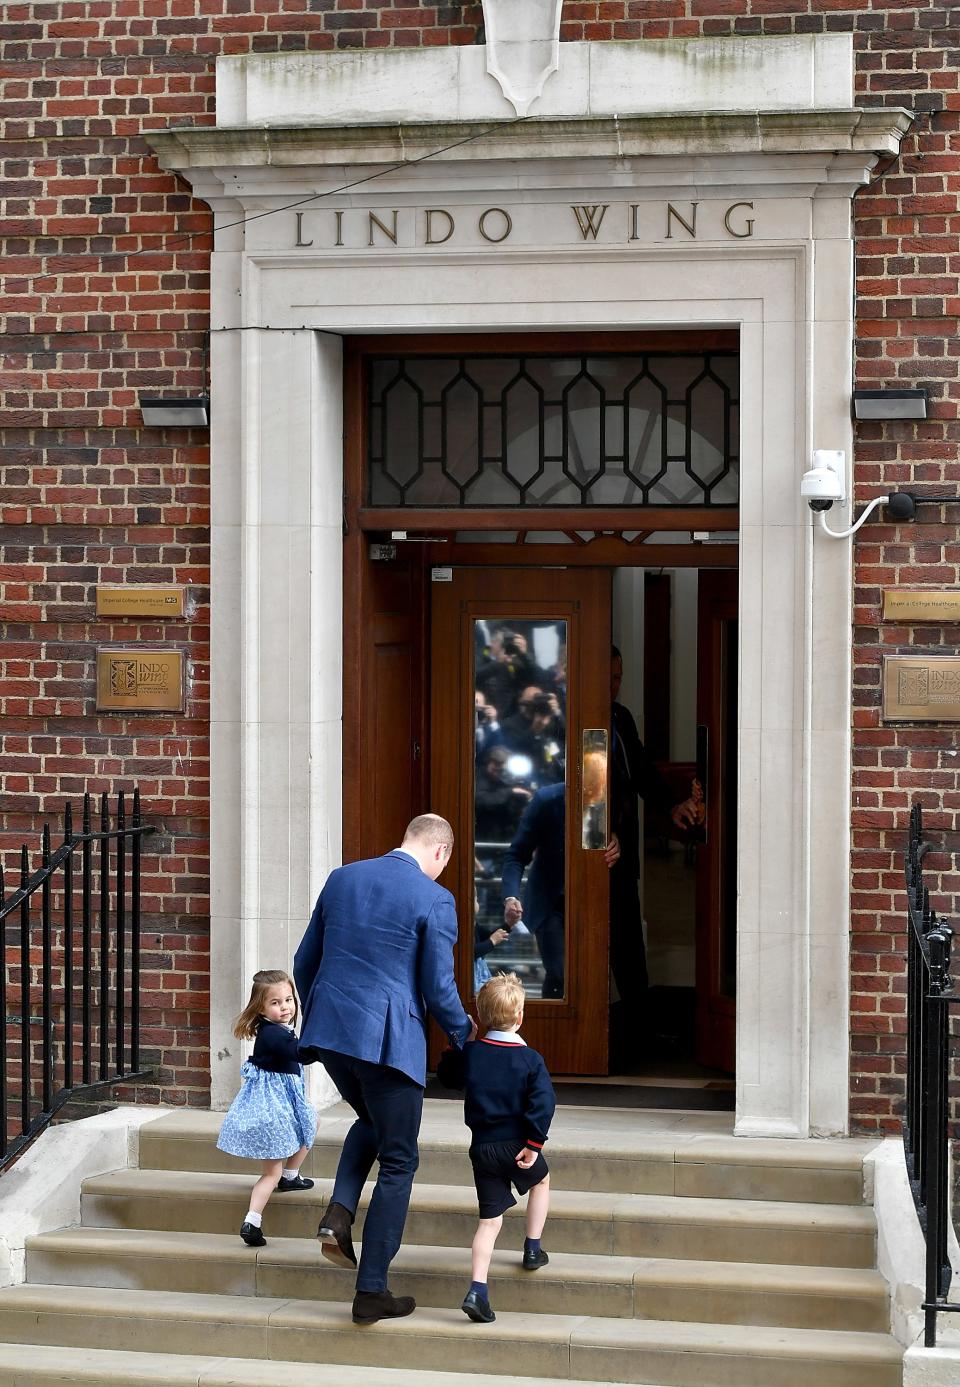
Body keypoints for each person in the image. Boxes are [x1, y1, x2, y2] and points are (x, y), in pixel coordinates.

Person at [294, 814, 474, 1325]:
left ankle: (339, 1213)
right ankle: (371, 1289)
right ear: (441, 852)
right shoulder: (434, 897)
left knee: (370, 1122)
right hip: (389, 1044)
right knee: (399, 1160)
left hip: (331, 1035)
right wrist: (465, 1036)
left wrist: (322, 1015)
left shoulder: (342, 877)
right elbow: (438, 988)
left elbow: (304, 961)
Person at [437, 972, 555, 1325]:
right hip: (518, 1145)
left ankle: (478, 1289)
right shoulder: (530, 1059)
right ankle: (533, 1248)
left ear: (482, 1016)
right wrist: (535, 1144)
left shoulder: (473, 1054)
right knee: (542, 1182)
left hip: (483, 1149)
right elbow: (543, 1103)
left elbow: (447, 1075)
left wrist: (462, 1043)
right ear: (520, 1017)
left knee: (489, 1222)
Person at [609, 644, 698, 1013]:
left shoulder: (621, 717)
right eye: (610, 678)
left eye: (619, 678)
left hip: (621, 849)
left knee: (628, 935)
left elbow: (642, 771)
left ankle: (636, 1016)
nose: (614, 686)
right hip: (584, 851)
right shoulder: (567, 716)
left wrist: (672, 805)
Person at [216, 969, 318, 1247]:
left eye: (288, 1000)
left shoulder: (273, 1031)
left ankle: (290, 1176)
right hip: (272, 1113)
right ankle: (252, 1220)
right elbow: (303, 1055)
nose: (285, 1007)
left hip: (273, 1107)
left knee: (309, 1121)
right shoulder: (275, 1036)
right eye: (275, 1003)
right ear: (260, 1007)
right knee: (270, 1173)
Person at [503, 785, 620, 999]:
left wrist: (616, 843)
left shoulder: (609, 799)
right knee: (560, 972)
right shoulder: (546, 800)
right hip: (550, 902)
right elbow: (517, 855)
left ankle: (557, 1027)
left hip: (590, 899)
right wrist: (511, 897)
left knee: (584, 977)